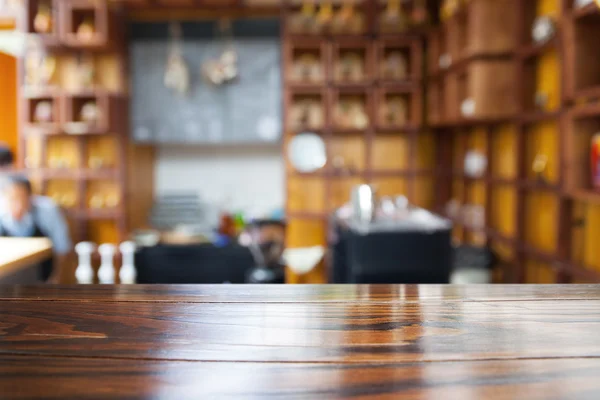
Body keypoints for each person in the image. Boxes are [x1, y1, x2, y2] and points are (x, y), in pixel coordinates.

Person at [0, 174, 72, 283]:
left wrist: (55, 279)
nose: (18, 205)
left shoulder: (48, 211)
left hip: (42, 278)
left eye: (22, 198)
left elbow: (62, 248)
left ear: (31, 197)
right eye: (12, 199)